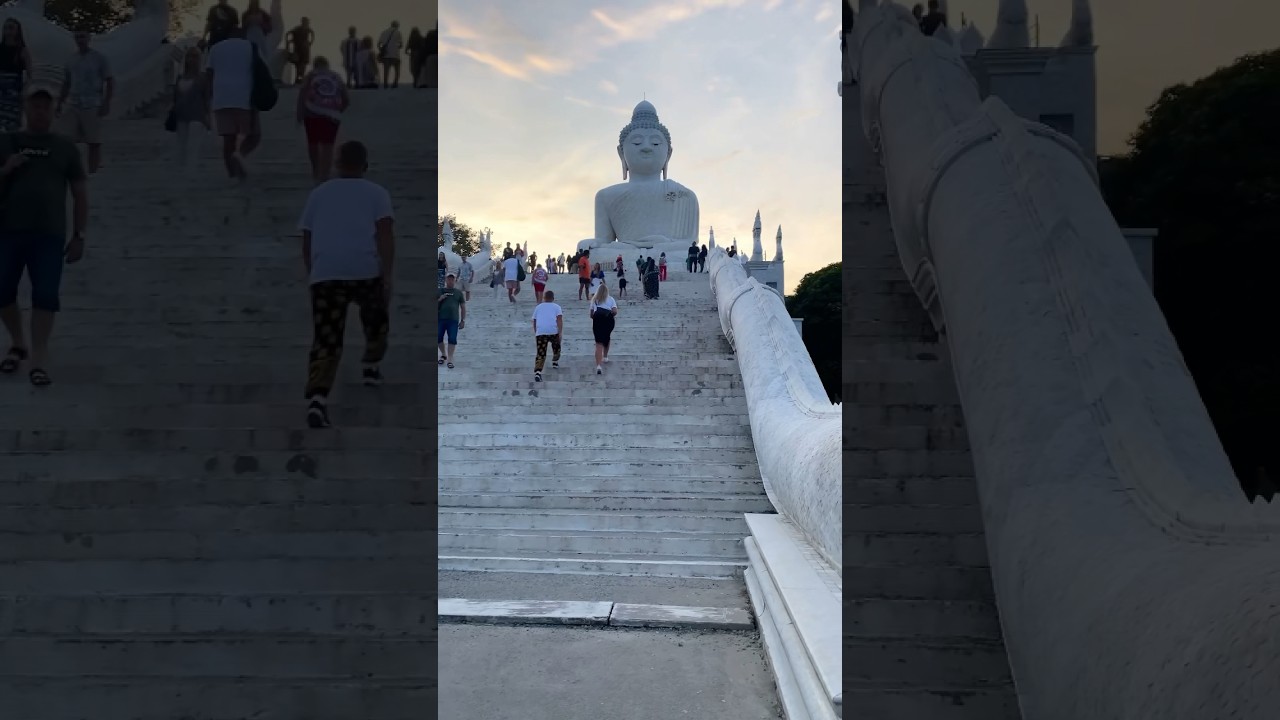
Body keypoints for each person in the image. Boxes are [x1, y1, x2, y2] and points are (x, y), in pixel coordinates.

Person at [297, 140, 395, 428]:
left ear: (337, 164)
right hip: (365, 271)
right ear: (365, 166)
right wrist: (387, 274)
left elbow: (307, 237)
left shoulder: (319, 194)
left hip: (326, 274)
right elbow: (385, 235)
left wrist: (312, 272)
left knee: (326, 338)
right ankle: (371, 365)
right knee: (377, 323)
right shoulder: (377, 194)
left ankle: (317, 398)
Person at [0, 84, 88, 386]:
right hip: (7, 231)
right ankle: (17, 342)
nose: (39, 111)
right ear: (26, 109)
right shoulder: (6, 142)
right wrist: (6, 169)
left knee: (46, 295)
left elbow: (80, 194)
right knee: (2, 290)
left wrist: (79, 235)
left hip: (48, 235)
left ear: (54, 111)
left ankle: (38, 357)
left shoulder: (65, 147)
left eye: (45, 106)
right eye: (34, 106)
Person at [205, 27, 259, 182]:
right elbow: (259, 71)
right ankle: (239, 155)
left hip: (221, 98)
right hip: (244, 97)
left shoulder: (216, 48)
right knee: (253, 135)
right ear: (243, 35)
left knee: (228, 139)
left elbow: (209, 74)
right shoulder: (250, 47)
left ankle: (232, 174)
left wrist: (208, 98)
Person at [58, 31, 113, 175]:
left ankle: (93, 171)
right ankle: (70, 169)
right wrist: (59, 102)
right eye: (77, 36)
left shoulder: (99, 58)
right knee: (67, 139)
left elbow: (109, 80)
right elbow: (67, 82)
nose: (80, 39)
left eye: (82, 36)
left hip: (92, 103)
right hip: (73, 103)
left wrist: (107, 102)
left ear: (89, 38)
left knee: (93, 141)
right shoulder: (71, 59)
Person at [296, 56, 348, 183]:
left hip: (312, 113)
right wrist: (339, 109)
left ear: (315, 65)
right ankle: (325, 173)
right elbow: (346, 97)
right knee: (328, 145)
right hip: (331, 114)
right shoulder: (336, 76)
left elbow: (302, 93)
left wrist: (300, 112)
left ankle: (316, 170)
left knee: (313, 143)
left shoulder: (311, 75)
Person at [169, 48, 211, 169]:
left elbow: (207, 99)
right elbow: (175, 98)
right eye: (189, 56)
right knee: (180, 145)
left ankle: (190, 171)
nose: (191, 59)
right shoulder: (179, 78)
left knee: (193, 146)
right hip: (181, 115)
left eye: (194, 56)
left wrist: (209, 117)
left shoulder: (203, 78)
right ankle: (180, 170)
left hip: (197, 115)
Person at [0, 18, 33, 132]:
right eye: (6, 28)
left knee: (11, 124)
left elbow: (30, 74)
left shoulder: (22, 51)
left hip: (14, 91)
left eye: (11, 28)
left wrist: (26, 90)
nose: (8, 31)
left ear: (17, 31)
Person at [531, 289, 562, 382]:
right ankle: (555, 361)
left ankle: (538, 372)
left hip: (541, 332)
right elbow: (559, 319)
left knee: (541, 352)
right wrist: (560, 332)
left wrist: (536, 331)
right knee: (557, 347)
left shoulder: (538, 307)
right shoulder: (557, 307)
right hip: (553, 330)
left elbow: (534, 320)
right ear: (553, 298)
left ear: (544, 298)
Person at [589, 282, 618, 375]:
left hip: (597, 320)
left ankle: (598, 366)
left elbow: (591, 315)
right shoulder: (611, 299)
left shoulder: (594, 300)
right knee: (607, 337)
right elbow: (615, 311)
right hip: (608, 320)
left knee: (598, 343)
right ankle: (605, 356)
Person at [438, 271, 465, 369]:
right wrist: (440, 299)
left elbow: (463, 307)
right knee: (438, 337)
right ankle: (443, 354)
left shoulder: (458, 293)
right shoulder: (439, 291)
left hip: (453, 320)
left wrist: (462, 320)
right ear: (445, 280)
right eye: (448, 279)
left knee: (452, 338)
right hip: (440, 319)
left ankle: (450, 358)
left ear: (455, 280)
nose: (450, 281)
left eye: (452, 279)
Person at [286, 17, 315, 85]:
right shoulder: (298, 29)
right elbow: (288, 34)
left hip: (304, 49)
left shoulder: (307, 29)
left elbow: (312, 34)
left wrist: (310, 42)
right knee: (299, 64)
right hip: (299, 49)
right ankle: (299, 78)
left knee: (302, 64)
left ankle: (300, 78)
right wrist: (289, 43)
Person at [377, 21, 404, 88]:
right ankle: (395, 83)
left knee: (386, 70)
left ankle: (385, 84)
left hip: (386, 55)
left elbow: (379, 44)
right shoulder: (398, 32)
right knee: (397, 69)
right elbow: (401, 44)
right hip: (395, 54)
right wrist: (397, 47)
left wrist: (382, 50)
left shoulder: (384, 32)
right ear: (397, 26)